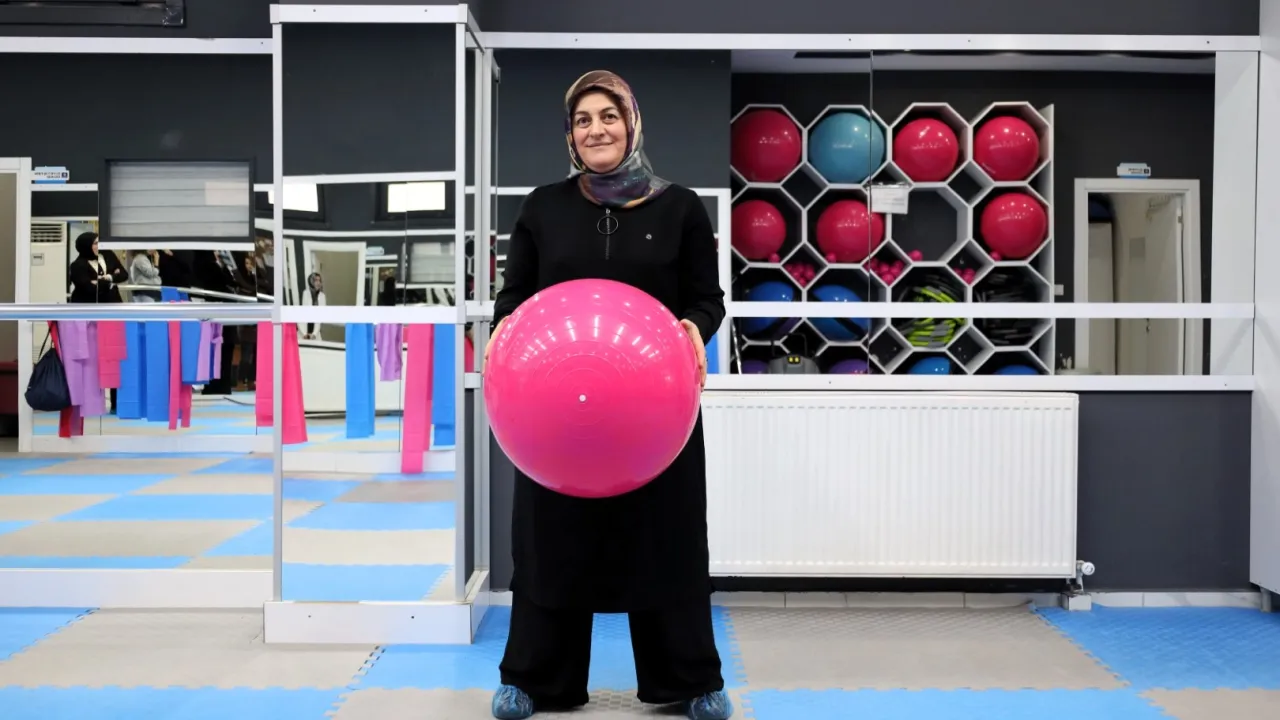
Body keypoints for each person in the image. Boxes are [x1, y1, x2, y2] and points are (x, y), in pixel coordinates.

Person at [485, 71, 730, 720]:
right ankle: (535, 679)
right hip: (555, 415)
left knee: (668, 540)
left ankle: (690, 680)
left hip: (655, 413)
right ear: (570, 135)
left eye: (608, 116)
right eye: (582, 120)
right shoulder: (542, 207)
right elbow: (516, 296)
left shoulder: (680, 208)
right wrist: (502, 328)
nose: (596, 129)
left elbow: (707, 299)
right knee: (549, 542)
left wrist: (694, 326)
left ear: (632, 122)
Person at [68, 232, 125, 304]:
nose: (99, 246)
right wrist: (110, 282)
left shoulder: (107, 254)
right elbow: (89, 288)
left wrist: (109, 277)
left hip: (112, 302)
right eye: (95, 243)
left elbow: (124, 274)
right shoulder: (77, 265)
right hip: (89, 305)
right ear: (86, 245)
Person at [301, 272, 326, 340]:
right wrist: (304, 333)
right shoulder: (306, 293)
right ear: (311, 281)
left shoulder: (322, 296)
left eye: (319, 281)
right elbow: (304, 312)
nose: (318, 283)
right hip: (305, 330)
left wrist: (314, 334)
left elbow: (321, 315)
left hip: (316, 332)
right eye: (316, 280)